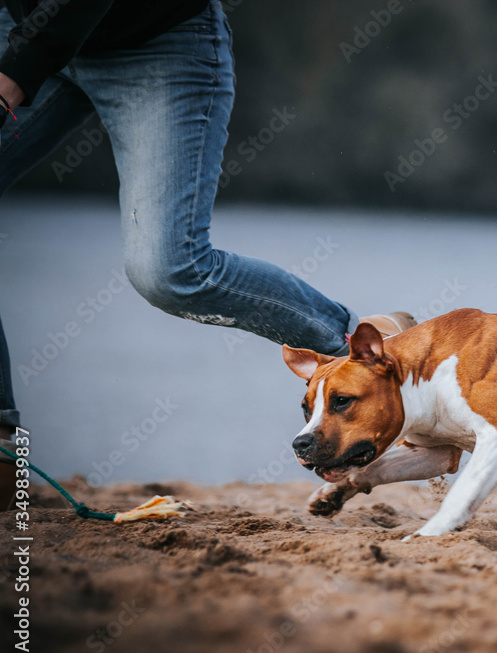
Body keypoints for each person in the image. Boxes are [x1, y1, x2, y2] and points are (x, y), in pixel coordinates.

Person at [0, 0, 415, 507]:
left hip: (154, 40)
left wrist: (18, 67)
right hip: (20, 29)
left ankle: (357, 344)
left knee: (169, 270)